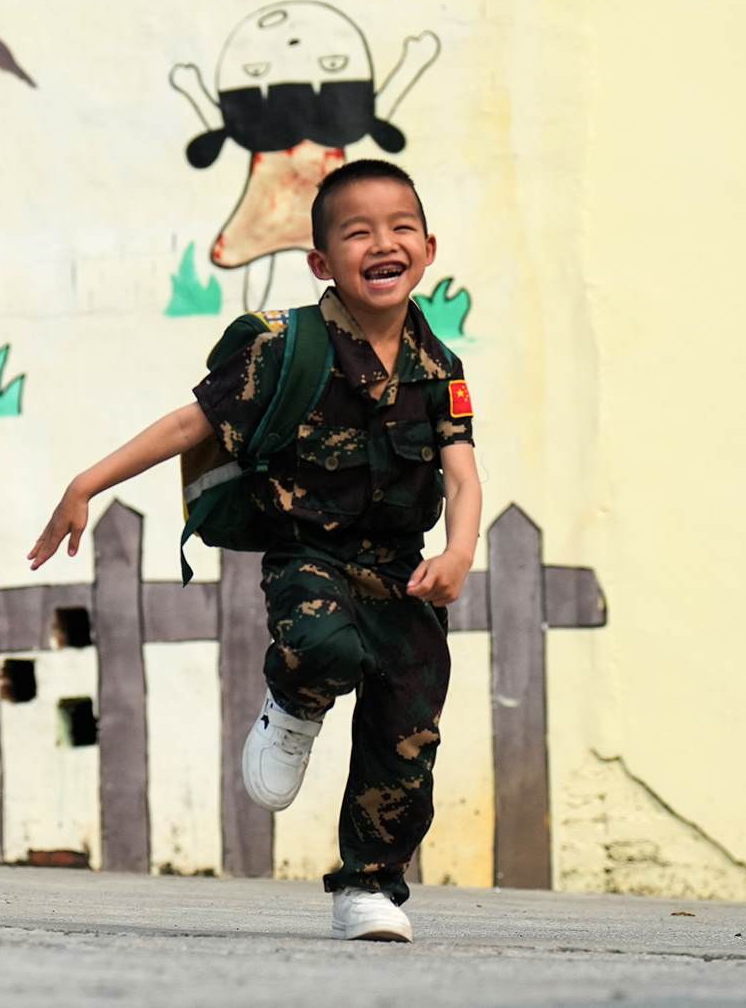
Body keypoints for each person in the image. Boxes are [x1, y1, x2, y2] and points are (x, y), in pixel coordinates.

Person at [27, 159, 482, 943]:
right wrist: (86, 482)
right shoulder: (284, 348)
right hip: (307, 551)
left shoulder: (439, 369)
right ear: (321, 262)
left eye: (400, 227)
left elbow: (463, 476)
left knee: (407, 729)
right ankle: (294, 703)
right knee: (321, 644)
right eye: (358, 231)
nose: (383, 242)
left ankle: (368, 889)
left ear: (428, 248)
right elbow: (187, 425)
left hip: (400, 566)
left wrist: (460, 550)